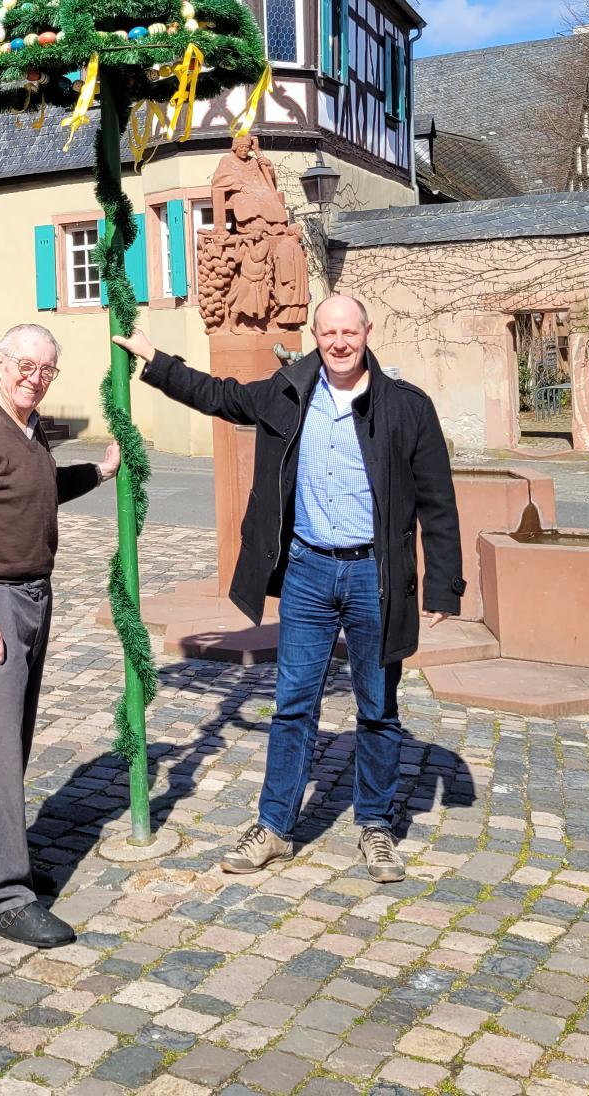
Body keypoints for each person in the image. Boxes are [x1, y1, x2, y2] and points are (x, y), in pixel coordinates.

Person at [111, 295, 462, 881]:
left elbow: (438, 498)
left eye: (350, 331)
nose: (341, 342)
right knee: (293, 704)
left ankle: (375, 827)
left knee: (378, 708)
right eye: (330, 332)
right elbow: (220, 395)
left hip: (375, 576)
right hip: (307, 573)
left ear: (368, 331)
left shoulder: (405, 407)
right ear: (317, 335)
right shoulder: (288, 390)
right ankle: (274, 828)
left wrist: (444, 586)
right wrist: (154, 360)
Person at [0, 322, 120, 947]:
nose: (35, 377)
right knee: (2, 745)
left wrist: (100, 471)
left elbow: (40, 491)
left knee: (1, 739)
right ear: (0, 364)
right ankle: (6, 895)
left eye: (47, 370)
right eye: (25, 365)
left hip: (35, 595)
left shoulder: (30, 432)